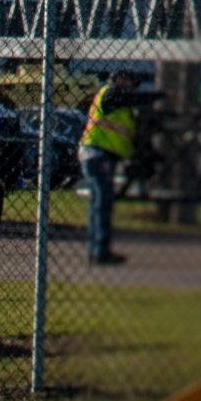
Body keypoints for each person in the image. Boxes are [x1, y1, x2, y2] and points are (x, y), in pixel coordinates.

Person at [80, 75, 136, 265]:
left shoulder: (116, 99)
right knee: (102, 201)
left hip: (100, 153)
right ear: (120, 80)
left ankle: (97, 249)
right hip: (97, 153)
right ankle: (99, 250)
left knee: (100, 201)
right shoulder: (111, 93)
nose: (131, 88)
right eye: (129, 83)